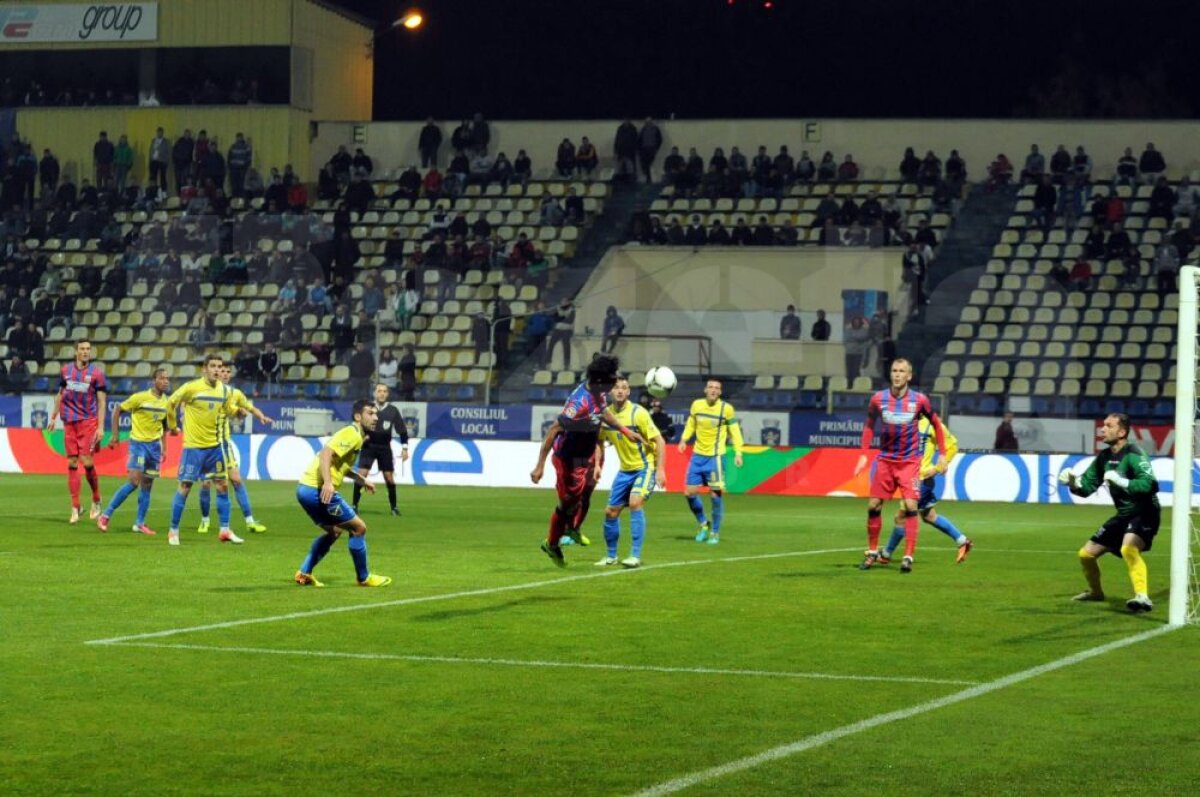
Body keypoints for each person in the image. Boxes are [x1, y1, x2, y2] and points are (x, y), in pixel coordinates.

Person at [530, 353, 642, 567]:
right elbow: (553, 430)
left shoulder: (598, 392)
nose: (614, 384)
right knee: (568, 504)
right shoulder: (578, 404)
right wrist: (539, 466)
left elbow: (602, 413)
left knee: (586, 492)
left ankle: (573, 529)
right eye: (611, 379)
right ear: (600, 380)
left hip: (586, 454)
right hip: (569, 459)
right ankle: (552, 544)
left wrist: (625, 431)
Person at [854, 358, 947, 573]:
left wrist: (942, 455)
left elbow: (936, 425)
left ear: (909, 376)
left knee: (911, 507)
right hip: (885, 460)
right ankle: (871, 553)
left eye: (901, 371)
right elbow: (869, 426)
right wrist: (863, 455)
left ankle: (908, 556)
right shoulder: (878, 399)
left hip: (909, 462)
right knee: (873, 506)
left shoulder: (920, 400)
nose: (897, 374)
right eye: (894, 370)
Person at [1059, 413, 1159, 612]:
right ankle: (1096, 593)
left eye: (1108, 426)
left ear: (1122, 432)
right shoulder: (1104, 457)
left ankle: (1142, 597)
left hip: (1145, 511)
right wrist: (1073, 483)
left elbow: (1151, 484)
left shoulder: (1134, 453)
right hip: (1123, 515)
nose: (1102, 429)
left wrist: (1124, 482)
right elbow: (1087, 487)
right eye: (1103, 425)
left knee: (1128, 549)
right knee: (1086, 555)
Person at [294, 400, 392, 588]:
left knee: (335, 531)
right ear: (358, 416)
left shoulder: (355, 437)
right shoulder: (352, 434)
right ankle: (364, 578)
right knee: (359, 528)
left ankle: (304, 572)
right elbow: (325, 454)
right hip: (317, 490)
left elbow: (340, 466)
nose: (375, 417)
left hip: (304, 489)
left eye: (376, 414)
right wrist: (328, 484)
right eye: (370, 413)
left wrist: (362, 480)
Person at [164, 355, 245, 547]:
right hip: (194, 448)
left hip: (215, 447)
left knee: (223, 485)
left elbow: (228, 408)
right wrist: (173, 426)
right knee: (185, 487)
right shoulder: (191, 388)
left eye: (219, 366)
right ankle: (173, 530)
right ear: (205, 369)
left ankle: (225, 530)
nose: (217, 370)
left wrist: (237, 412)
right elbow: (171, 403)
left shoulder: (224, 390)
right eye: (213, 366)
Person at [879, 416, 972, 565]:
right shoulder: (905, 423)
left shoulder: (932, 424)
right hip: (911, 478)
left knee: (901, 516)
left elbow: (952, 445)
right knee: (929, 516)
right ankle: (963, 541)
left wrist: (938, 468)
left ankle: (886, 554)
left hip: (921, 479)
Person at [194, 364, 274, 536]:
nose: (225, 374)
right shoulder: (207, 391)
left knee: (236, 480)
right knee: (206, 484)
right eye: (222, 370)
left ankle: (250, 521)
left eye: (228, 372)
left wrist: (261, 416)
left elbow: (250, 407)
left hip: (224, 444)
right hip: (206, 444)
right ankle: (205, 520)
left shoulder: (234, 393)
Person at [596, 375, 666, 568]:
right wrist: (596, 465)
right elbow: (599, 441)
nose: (620, 390)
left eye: (624, 387)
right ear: (610, 391)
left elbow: (659, 440)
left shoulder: (639, 413)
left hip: (645, 468)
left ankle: (634, 555)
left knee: (635, 503)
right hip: (624, 471)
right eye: (616, 387)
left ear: (628, 392)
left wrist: (660, 470)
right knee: (610, 512)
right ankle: (611, 556)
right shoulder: (606, 415)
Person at [97, 368, 176, 535]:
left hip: (154, 447)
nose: (166, 381)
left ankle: (139, 523)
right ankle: (106, 515)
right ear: (154, 380)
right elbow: (118, 409)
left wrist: (165, 448)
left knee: (147, 485)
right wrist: (115, 436)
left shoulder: (167, 403)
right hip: (138, 444)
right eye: (162, 378)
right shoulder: (140, 398)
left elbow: (164, 426)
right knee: (133, 482)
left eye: (167, 378)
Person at [47, 339, 108, 523]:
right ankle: (76, 506)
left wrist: (101, 427)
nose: (85, 352)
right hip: (69, 422)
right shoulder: (66, 371)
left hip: (88, 422)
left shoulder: (96, 374)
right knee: (72, 462)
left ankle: (96, 498)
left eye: (88, 349)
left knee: (87, 461)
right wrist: (53, 416)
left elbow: (102, 401)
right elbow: (60, 394)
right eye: (82, 349)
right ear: (75, 352)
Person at [678, 378, 744, 545]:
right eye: (711, 387)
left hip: (715, 458)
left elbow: (735, 431)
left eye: (717, 388)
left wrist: (738, 452)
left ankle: (715, 532)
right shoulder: (697, 405)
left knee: (715, 494)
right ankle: (703, 523)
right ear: (705, 390)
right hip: (697, 456)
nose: (713, 390)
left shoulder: (726, 409)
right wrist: (684, 439)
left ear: (720, 392)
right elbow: (691, 424)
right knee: (689, 493)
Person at [352, 383, 410, 516]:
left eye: (384, 391)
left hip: (384, 448)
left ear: (387, 394)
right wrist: (361, 437)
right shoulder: (368, 409)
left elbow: (402, 430)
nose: (382, 393)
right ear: (375, 393)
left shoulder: (393, 410)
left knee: (389, 478)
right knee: (362, 475)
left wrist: (405, 448)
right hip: (369, 446)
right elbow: (359, 424)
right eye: (379, 391)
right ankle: (354, 506)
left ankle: (394, 507)